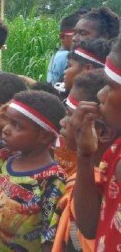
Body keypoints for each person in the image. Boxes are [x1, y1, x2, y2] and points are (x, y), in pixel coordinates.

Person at [0, 90, 67, 250]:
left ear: (45, 136)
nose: (6, 129)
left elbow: (49, 240)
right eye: (7, 122)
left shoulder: (54, 180)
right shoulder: (4, 158)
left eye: (17, 125)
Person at [53, 70, 113, 251]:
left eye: (71, 114)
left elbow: (88, 231)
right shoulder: (89, 173)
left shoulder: (101, 185)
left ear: (100, 131)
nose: (62, 121)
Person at [72, 37, 121, 251]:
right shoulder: (116, 150)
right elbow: (90, 227)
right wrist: (84, 156)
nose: (100, 95)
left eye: (110, 86)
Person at [47, 11, 86, 84]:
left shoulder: (56, 55)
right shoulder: (68, 56)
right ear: (62, 37)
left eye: (82, 34)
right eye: (74, 34)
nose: (78, 38)